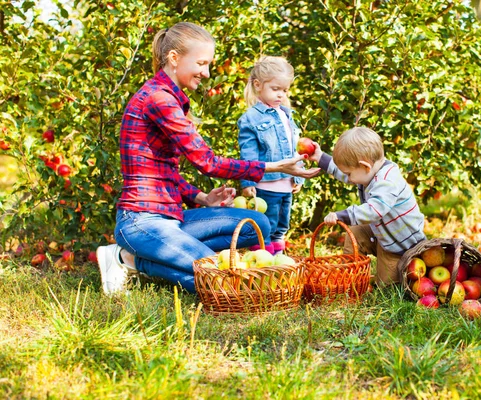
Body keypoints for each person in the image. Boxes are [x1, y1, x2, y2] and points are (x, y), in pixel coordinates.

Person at [95, 22, 320, 296]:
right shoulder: (158, 99)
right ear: (174, 58)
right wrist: (272, 167)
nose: (207, 72)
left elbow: (164, 172)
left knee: (258, 225)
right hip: (141, 221)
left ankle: (132, 259)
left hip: (170, 217)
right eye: (201, 63)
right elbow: (207, 162)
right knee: (223, 281)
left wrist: (202, 199)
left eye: (209, 64)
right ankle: (129, 258)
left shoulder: (169, 98)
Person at [308, 127, 426, 286]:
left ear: (365, 166)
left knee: (386, 286)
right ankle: (349, 276)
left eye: (350, 174)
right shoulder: (368, 172)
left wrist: (341, 215)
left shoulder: (387, 181)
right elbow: (345, 171)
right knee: (355, 233)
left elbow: (374, 210)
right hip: (383, 234)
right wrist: (321, 158)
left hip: (400, 247)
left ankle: (392, 277)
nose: (348, 178)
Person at [237, 56, 304, 255]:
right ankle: (263, 260)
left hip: (286, 184)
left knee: (282, 226)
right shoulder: (251, 118)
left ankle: (278, 259)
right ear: (258, 85)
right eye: (275, 89)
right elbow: (248, 153)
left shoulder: (286, 113)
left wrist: (298, 176)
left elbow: (294, 148)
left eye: (284, 90)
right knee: (266, 226)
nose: (281, 95)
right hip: (265, 185)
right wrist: (248, 183)